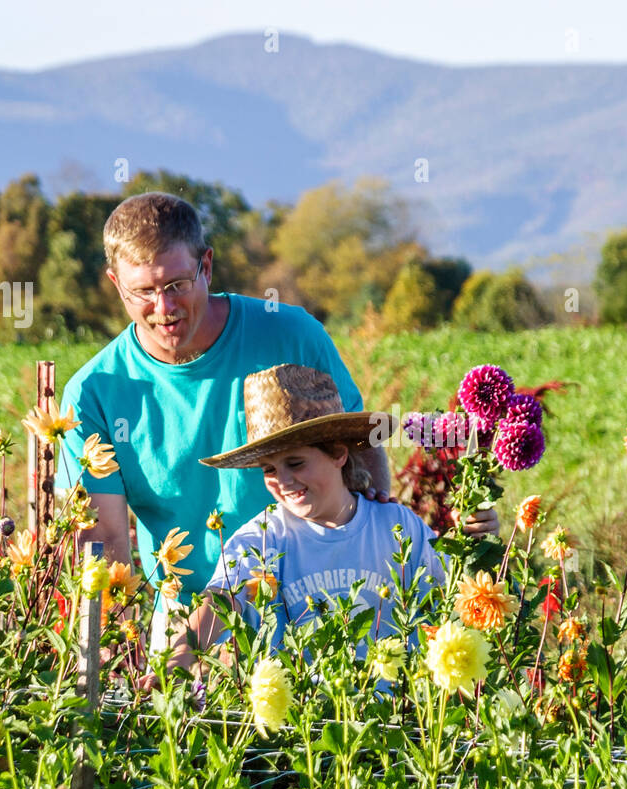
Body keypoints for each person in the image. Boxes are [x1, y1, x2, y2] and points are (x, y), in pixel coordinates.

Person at [56, 192, 493, 655]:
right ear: (115, 283)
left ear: (206, 266)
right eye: (143, 291)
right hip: (189, 627)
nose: (163, 308)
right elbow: (103, 540)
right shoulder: (94, 393)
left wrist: (383, 532)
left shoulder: (290, 334)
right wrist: (109, 648)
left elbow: (355, 445)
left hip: (320, 602)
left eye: (177, 284)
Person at [159, 363, 445, 679]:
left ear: (338, 453)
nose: (282, 480)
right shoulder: (262, 539)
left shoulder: (395, 526)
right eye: (268, 469)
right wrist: (176, 660)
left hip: (395, 715)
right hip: (297, 719)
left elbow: (453, 596)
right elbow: (219, 601)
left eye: (295, 463)